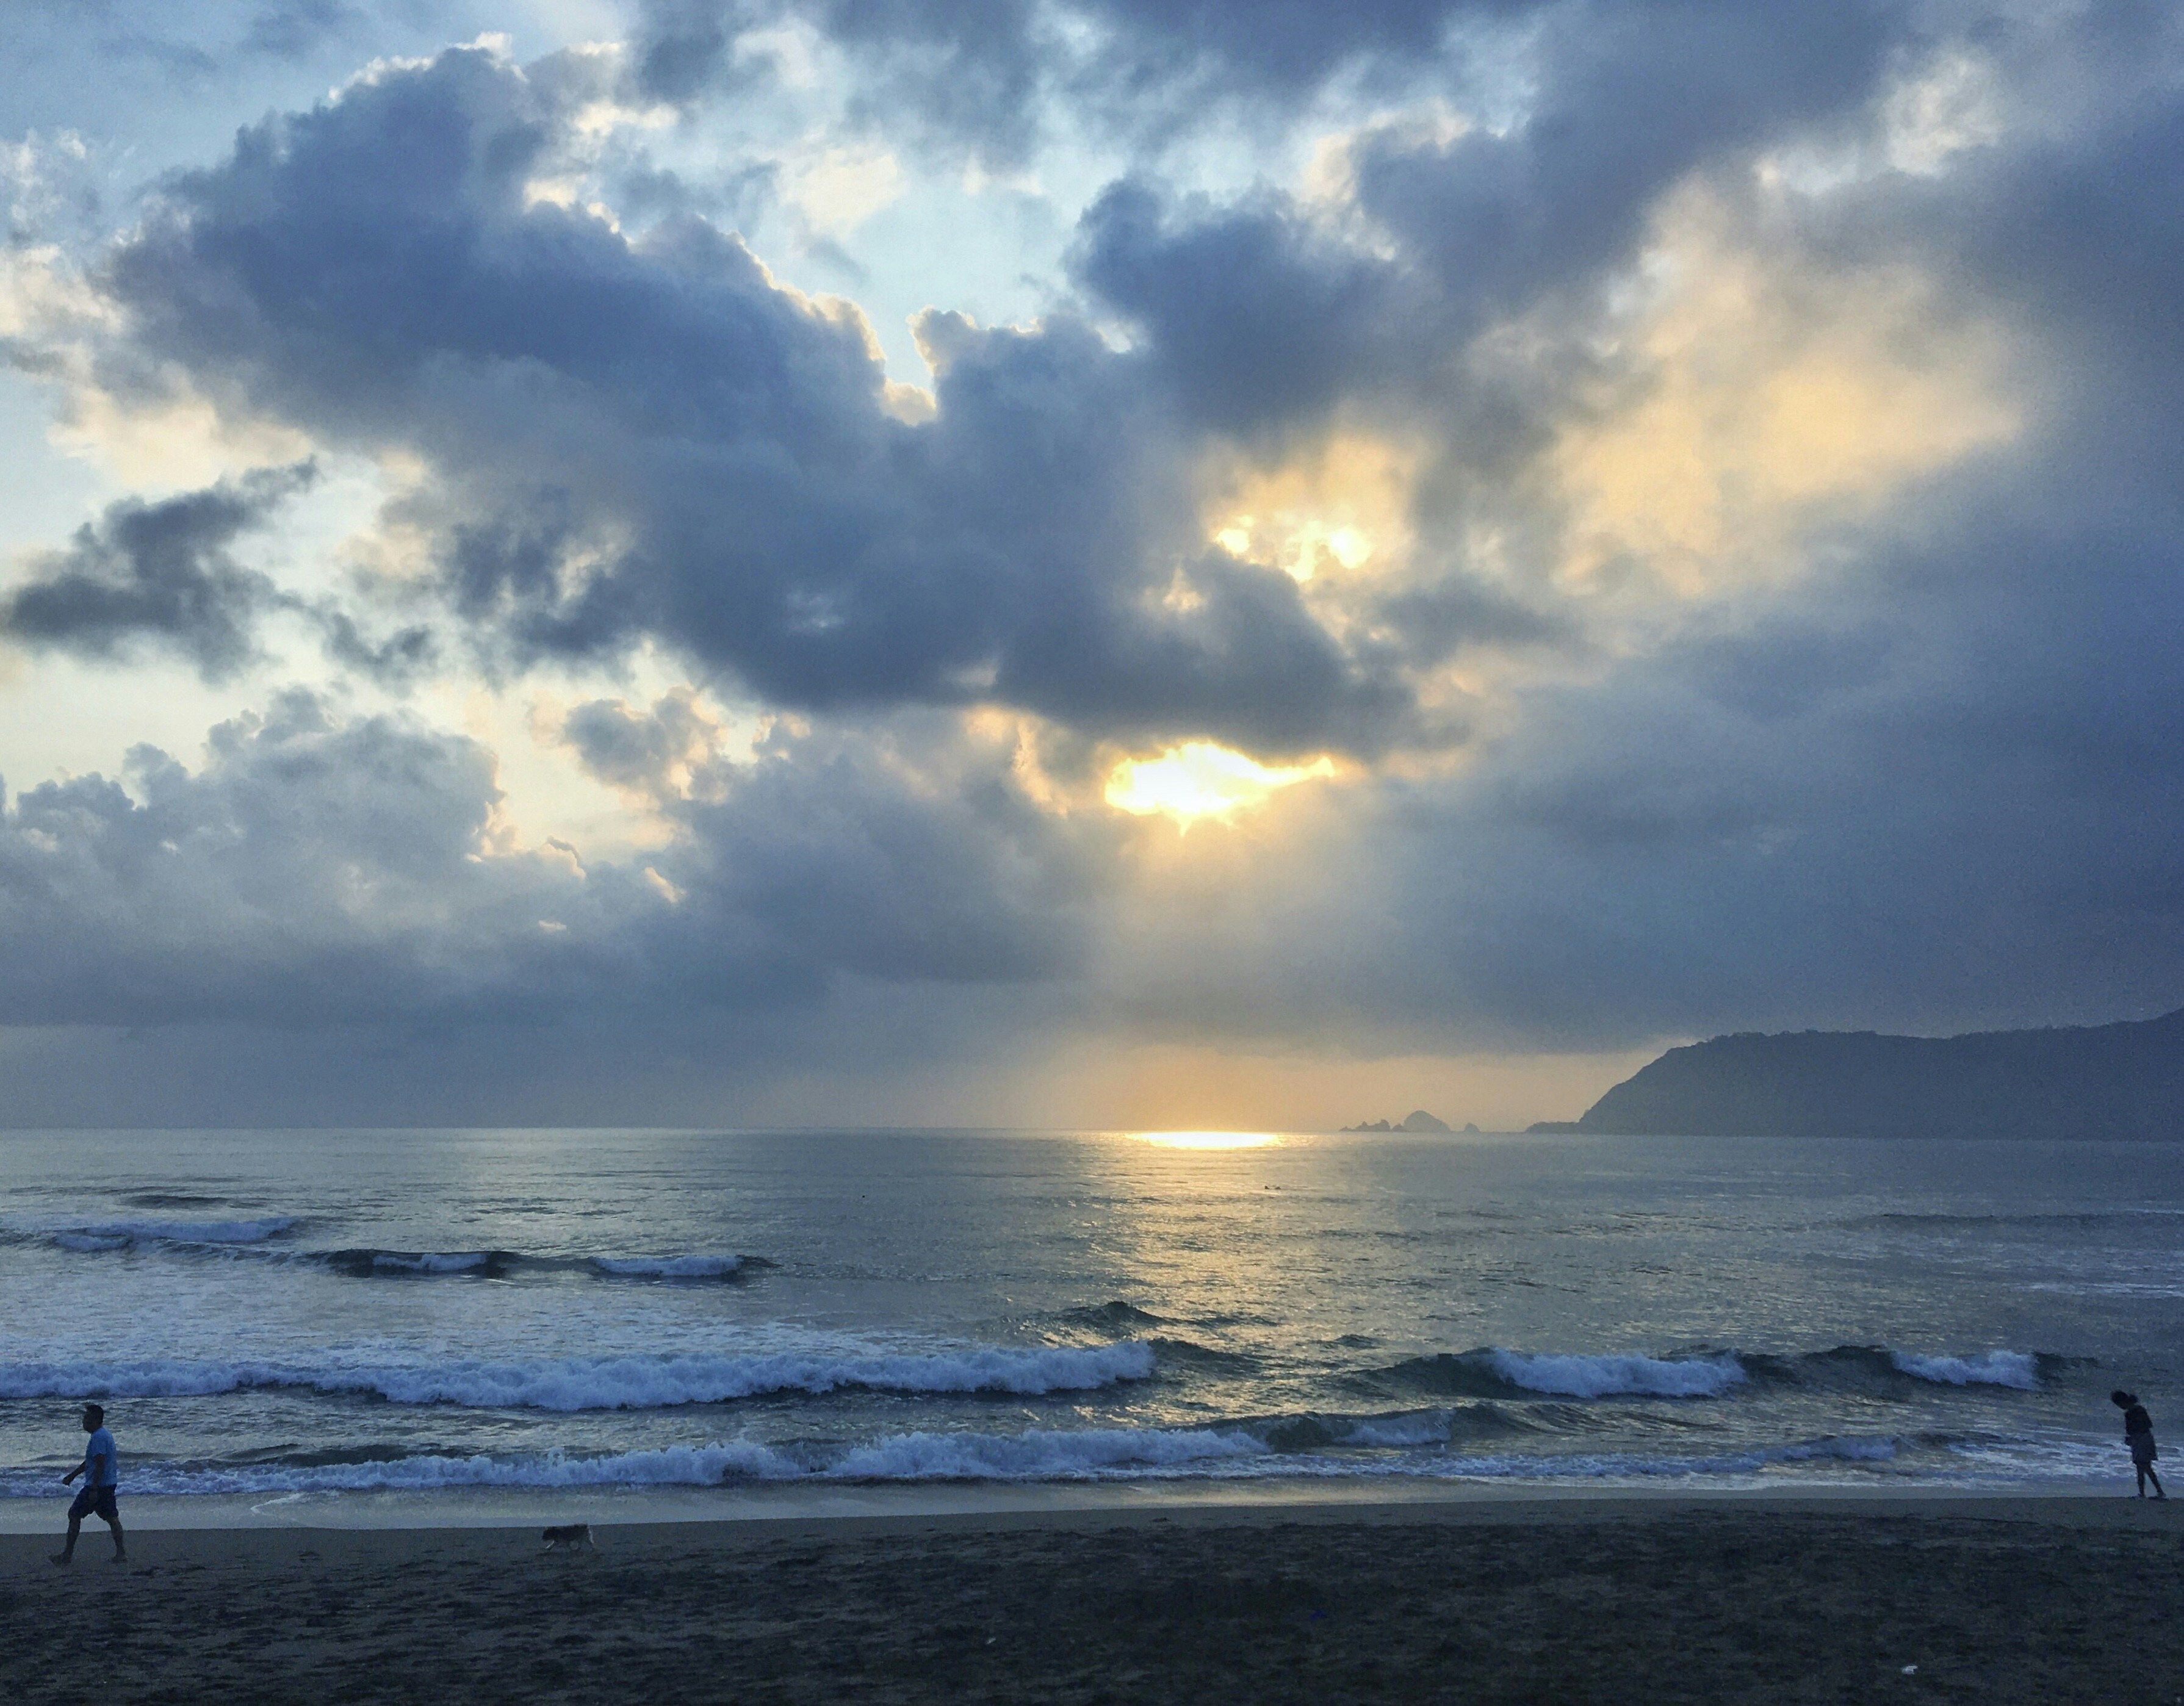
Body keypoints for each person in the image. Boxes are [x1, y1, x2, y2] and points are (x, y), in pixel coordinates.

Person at [54, 1402, 126, 1564]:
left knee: (75, 1514)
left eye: (87, 1418)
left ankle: (67, 1556)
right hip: (105, 1485)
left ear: (95, 1420)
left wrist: (93, 1489)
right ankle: (121, 1553)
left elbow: (100, 1463)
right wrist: (72, 1476)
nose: (83, 1421)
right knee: (111, 1517)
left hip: (99, 1486)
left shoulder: (99, 1437)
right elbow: (91, 1462)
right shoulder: (101, 1435)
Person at [2112, 1389, 2166, 1500]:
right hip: (2146, 1439)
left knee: (2143, 1467)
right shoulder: (2139, 1409)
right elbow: (2148, 1425)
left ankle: (2148, 1493)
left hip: (2140, 1440)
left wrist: (2132, 1437)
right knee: (2145, 1467)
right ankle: (2153, 1492)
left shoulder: (2131, 1413)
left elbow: (2134, 1428)